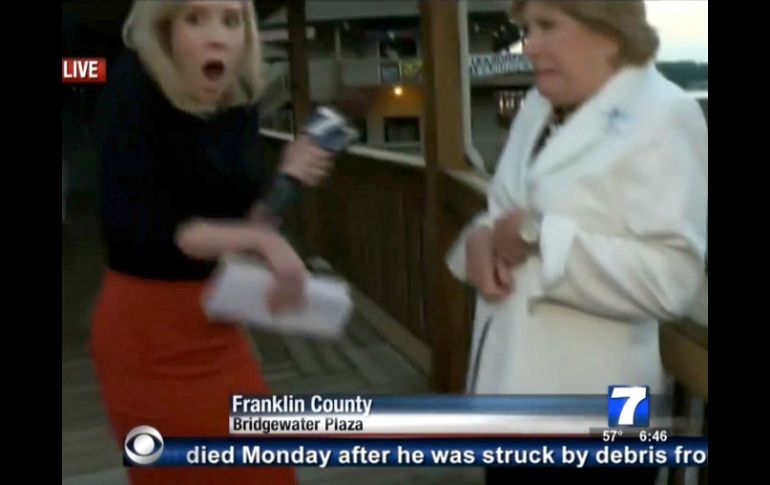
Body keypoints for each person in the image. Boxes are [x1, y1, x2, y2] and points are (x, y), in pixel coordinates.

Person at [445, 1, 707, 483]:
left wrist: (540, 238)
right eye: (527, 28)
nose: (529, 46)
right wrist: (479, 240)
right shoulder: (538, 104)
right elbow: (504, 210)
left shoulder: (666, 114)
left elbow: (672, 280)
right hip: (514, 401)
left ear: (608, 31)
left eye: (547, 26)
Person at [90, 1, 332, 483]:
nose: (217, 36)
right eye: (195, 19)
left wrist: (287, 176)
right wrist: (267, 245)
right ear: (165, 29)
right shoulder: (134, 88)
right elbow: (155, 232)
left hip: (218, 325)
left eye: (231, 20)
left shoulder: (237, 102)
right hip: (147, 339)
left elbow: (241, 226)